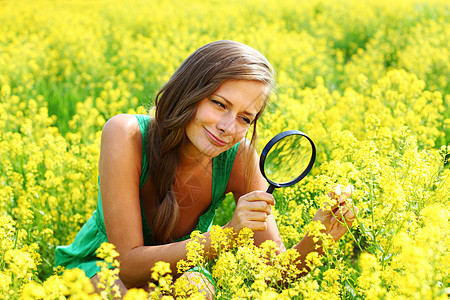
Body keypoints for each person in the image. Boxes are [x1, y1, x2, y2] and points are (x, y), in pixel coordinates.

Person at [55, 40, 357, 296]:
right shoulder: (126, 134)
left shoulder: (241, 158)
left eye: (245, 118)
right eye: (219, 104)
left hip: (182, 271)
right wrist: (227, 235)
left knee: (197, 289)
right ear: (189, 92)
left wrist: (319, 238)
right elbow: (130, 270)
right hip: (102, 266)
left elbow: (275, 273)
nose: (228, 127)